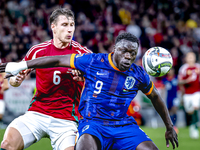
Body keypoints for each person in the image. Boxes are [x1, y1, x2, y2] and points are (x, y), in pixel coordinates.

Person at [1, 32, 178, 150]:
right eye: (124, 51)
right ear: (114, 49)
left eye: (132, 53)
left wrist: (169, 127)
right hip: (93, 124)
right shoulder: (93, 61)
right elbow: (56, 61)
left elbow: (155, 97)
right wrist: (21, 65)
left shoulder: (139, 75)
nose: (128, 57)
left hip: (123, 126)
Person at [0, 8, 92, 150]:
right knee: (7, 144)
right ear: (53, 27)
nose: (69, 30)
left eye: (72, 25)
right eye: (65, 25)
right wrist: (16, 80)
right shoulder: (38, 51)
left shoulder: (83, 54)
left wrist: (84, 79)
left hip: (67, 120)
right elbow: (13, 80)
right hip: (36, 114)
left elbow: (99, 83)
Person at [178, 52, 200, 139]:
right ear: (186, 58)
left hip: (197, 92)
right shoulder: (183, 69)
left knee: (196, 107)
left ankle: (195, 126)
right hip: (187, 94)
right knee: (190, 111)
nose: (191, 59)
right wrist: (187, 81)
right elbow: (179, 82)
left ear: (195, 58)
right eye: (189, 57)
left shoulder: (198, 67)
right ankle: (193, 125)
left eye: (192, 57)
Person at [162, 67, 179, 133]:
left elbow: (180, 86)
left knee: (174, 110)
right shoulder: (165, 80)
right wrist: (162, 98)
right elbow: (163, 89)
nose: (170, 72)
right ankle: (170, 126)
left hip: (175, 97)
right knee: (168, 112)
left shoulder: (176, 78)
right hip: (168, 98)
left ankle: (174, 125)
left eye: (171, 70)